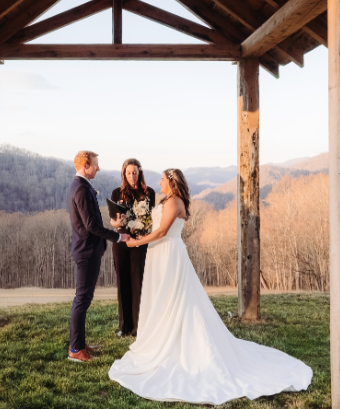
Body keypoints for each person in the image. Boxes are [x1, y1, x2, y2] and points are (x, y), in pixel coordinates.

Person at [108, 169, 312, 404]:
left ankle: (178, 340)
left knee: (175, 298)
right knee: (160, 298)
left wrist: (136, 243)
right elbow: (153, 225)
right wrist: (128, 224)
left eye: (163, 179)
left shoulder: (175, 201)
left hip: (169, 253)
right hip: (158, 253)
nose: (160, 182)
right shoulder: (166, 200)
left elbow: (162, 231)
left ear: (172, 182)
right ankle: (162, 334)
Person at [66, 150, 130, 363]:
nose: (99, 168)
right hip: (86, 251)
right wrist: (118, 237)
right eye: (95, 164)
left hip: (86, 249)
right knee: (82, 299)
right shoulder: (81, 189)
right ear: (86, 165)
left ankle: (79, 343)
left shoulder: (80, 186)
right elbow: (91, 225)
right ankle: (75, 350)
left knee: (83, 299)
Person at [110, 158, 155, 338]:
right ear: (124, 174)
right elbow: (113, 221)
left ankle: (139, 326)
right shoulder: (116, 193)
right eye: (128, 173)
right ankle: (124, 326)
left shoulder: (148, 192)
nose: (132, 176)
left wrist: (143, 231)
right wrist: (117, 222)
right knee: (123, 283)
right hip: (121, 241)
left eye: (134, 172)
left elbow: (151, 220)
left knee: (138, 283)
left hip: (139, 243)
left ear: (140, 172)